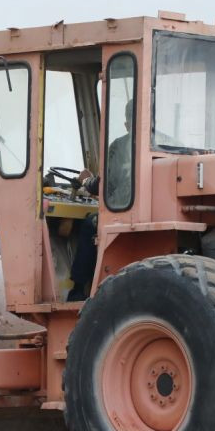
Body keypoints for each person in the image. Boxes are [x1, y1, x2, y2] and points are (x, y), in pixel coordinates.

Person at [67, 100, 133, 301]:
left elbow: (102, 186)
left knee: (89, 224)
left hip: (123, 213)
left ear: (127, 123)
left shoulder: (120, 145)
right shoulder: (166, 141)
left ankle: (78, 290)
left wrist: (86, 180)